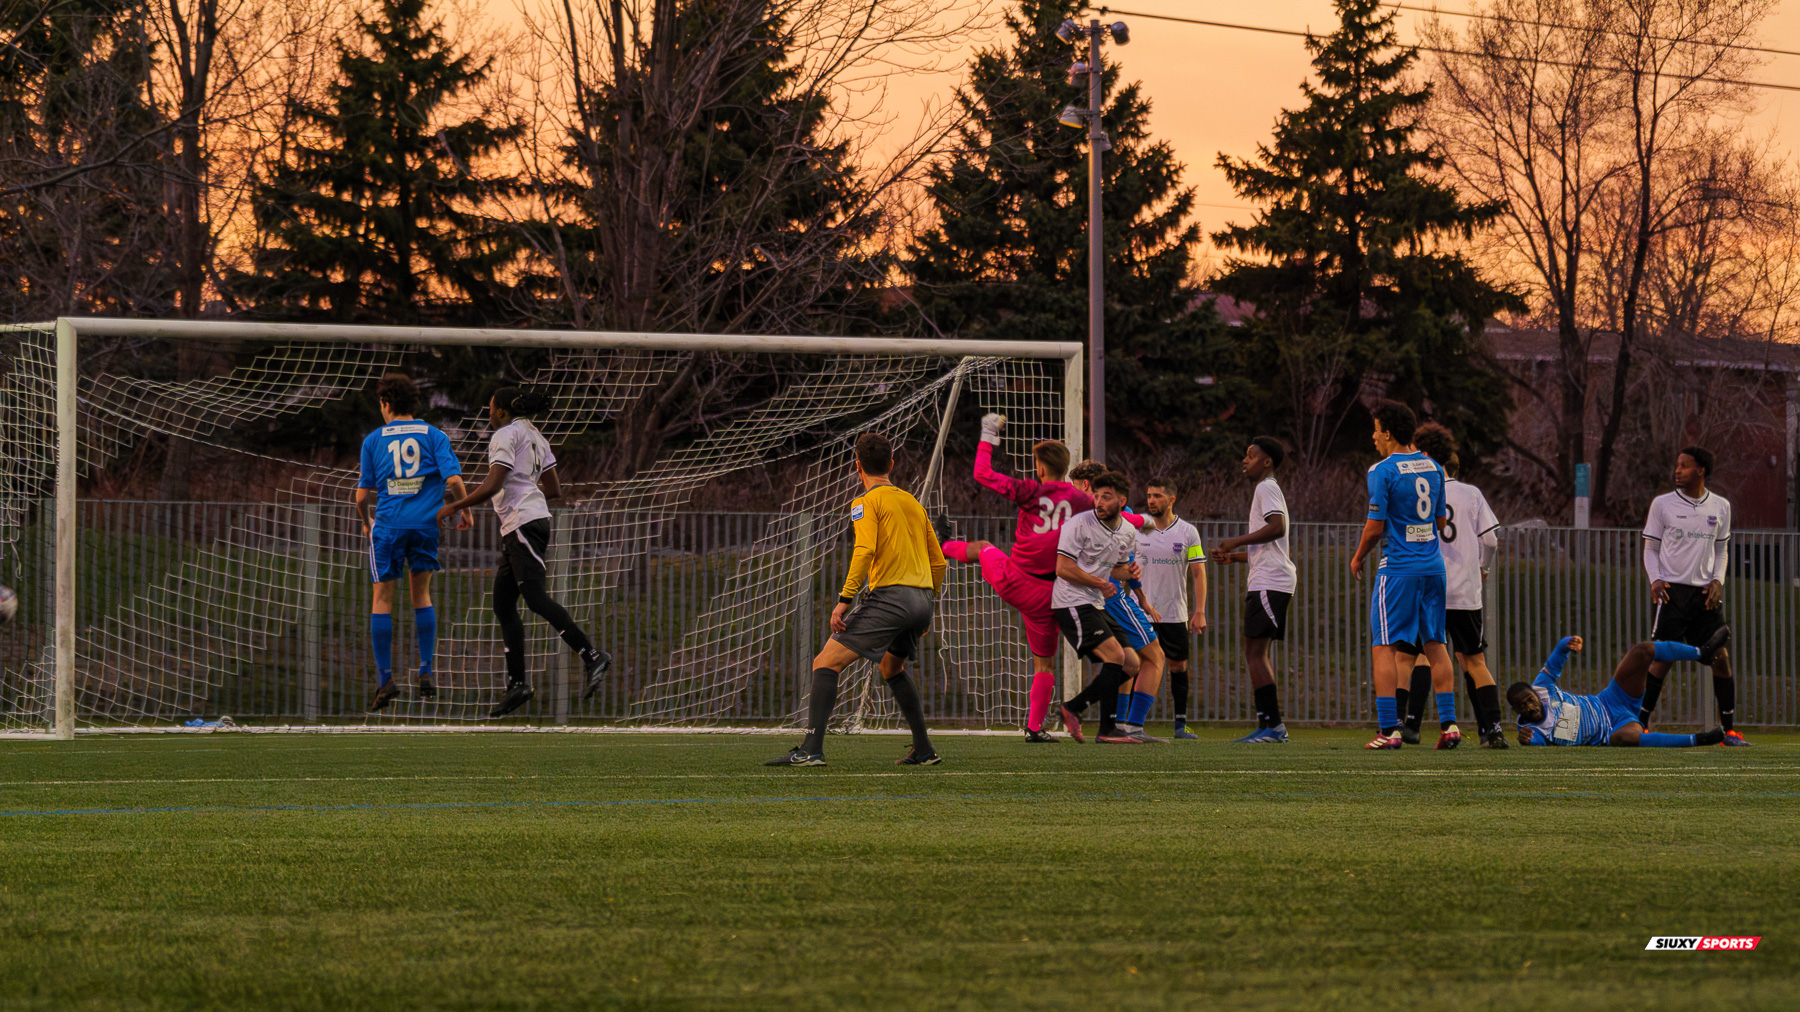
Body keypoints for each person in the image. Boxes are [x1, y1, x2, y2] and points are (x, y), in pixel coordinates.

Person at [766, 432, 947, 767]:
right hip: (923, 599)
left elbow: (864, 550)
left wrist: (843, 600)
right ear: (891, 464)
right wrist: (927, 605)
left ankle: (810, 750)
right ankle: (923, 750)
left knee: (825, 662)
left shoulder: (865, 502)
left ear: (857, 466)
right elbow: (939, 562)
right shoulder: (914, 503)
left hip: (893, 598)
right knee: (891, 667)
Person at [437, 387, 612, 719]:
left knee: (533, 597)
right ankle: (518, 683)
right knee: (503, 604)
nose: (488, 415)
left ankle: (591, 655)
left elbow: (493, 484)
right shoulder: (536, 436)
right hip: (524, 523)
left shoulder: (506, 434)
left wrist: (453, 507)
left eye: (490, 409)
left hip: (523, 523)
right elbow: (555, 489)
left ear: (502, 412)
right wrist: (527, 486)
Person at [938, 414, 1088, 741]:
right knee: (1045, 666)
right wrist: (1142, 521)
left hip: (1015, 578)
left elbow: (982, 473)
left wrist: (989, 433)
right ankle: (1034, 729)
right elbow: (1113, 514)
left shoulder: (1029, 490)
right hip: (1049, 596)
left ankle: (941, 545)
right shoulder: (1080, 499)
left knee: (983, 548)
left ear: (1041, 467)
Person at [355, 373, 469, 712]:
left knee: (382, 598)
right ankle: (426, 671)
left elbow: (361, 497)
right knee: (422, 594)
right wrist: (462, 510)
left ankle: (386, 679)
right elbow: (454, 479)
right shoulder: (434, 435)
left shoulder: (374, 440)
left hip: (388, 527)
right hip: (425, 527)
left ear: (386, 404)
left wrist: (366, 524)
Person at [1391, 424, 1507, 748]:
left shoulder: (1416, 491)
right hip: (1466, 591)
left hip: (1429, 587)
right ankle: (1493, 729)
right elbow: (1492, 540)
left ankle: (1404, 726)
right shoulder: (1471, 494)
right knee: (1474, 661)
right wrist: (1482, 568)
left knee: (1415, 657)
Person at [1351, 401, 1459, 750]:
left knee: (1384, 644)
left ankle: (1388, 731)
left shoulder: (1382, 470)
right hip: (1433, 567)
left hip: (1398, 569)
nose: (1373, 436)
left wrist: (1357, 558)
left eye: (1376, 429)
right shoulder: (1433, 467)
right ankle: (1450, 726)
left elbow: (1374, 528)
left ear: (1388, 432)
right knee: (1436, 644)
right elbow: (1441, 523)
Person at [1637, 446, 1749, 745]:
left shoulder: (1721, 506)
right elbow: (1650, 548)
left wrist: (1717, 581)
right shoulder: (1662, 504)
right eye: (1677, 465)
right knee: (1661, 660)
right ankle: (1639, 726)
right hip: (1673, 593)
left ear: (1700, 470)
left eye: (1685, 466)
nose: (1678, 470)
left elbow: (1721, 549)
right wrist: (1656, 579)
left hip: (1705, 597)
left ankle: (1730, 732)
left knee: (1721, 657)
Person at [1067, 461, 1164, 742]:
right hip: (1109, 597)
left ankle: (1113, 725)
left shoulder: (1076, 516)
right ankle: (1130, 726)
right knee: (1154, 656)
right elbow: (1124, 563)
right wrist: (1142, 599)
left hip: (1082, 598)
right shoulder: (1115, 515)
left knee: (1126, 662)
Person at [1508, 630, 1729, 747]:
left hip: (1610, 699)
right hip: (1611, 731)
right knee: (1626, 739)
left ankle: (1702, 653)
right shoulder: (1531, 730)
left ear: (1535, 694)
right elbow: (1535, 742)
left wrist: (1569, 641)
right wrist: (1526, 741)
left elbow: (1557, 655)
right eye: (1521, 706)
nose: (1528, 706)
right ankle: (1699, 739)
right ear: (1516, 712)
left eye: (1529, 699)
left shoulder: (1542, 687)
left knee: (1642, 651)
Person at [1212, 437, 1294, 743]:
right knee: (1254, 652)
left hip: (1271, 581)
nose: (1245, 461)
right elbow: (1270, 547)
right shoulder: (1264, 489)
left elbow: (1278, 527)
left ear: (1267, 461)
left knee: (1256, 653)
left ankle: (1273, 727)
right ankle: (1267, 726)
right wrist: (1233, 557)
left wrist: (1235, 540)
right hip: (1267, 577)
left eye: (1251, 455)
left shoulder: (1266, 487)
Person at [1137, 476, 1208, 740]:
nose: (1151, 501)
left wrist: (1199, 611)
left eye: (1157, 495)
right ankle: (1134, 724)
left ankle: (1180, 725)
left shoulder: (1188, 532)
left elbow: (1199, 573)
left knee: (1177, 666)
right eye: (1149, 495)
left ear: (1171, 499)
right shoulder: (1138, 530)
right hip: (1140, 613)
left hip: (1174, 613)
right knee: (1138, 664)